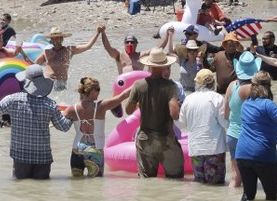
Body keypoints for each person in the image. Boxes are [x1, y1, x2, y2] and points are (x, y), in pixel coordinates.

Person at [0, 65, 72, 179]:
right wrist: (72, 113)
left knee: (20, 191)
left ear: (25, 82)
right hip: (42, 157)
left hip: (21, 156)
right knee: (41, 192)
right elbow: (63, 127)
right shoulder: (50, 104)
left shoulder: (14, 100)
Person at [124, 48, 183, 179]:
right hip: (165, 139)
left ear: (149, 65)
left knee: (146, 180)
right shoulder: (170, 86)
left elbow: (128, 110)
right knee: (176, 180)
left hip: (145, 139)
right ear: (164, 66)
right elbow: (174, 114)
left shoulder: (138, 85)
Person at [64, 76, 132, 178]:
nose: (99, 93)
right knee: (96, 186)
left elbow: (59, 122)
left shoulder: (71, 109)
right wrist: (140, 83)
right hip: (95, 150)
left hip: (76, 150)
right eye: (98, 90)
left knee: (76, 187)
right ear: (92, 91)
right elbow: (123, 96)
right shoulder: (101, 106)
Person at [235, 71, 277, 201]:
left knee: (248, 196)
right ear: (268, 86)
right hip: (263, 154)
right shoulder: (268, 104)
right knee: (271, 197)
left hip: (242, 153)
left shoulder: (246, 103)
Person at [178, 69, 228, 185]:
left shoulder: (188, 99)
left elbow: (181, 124)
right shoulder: (217, 98)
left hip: (196, 149)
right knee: (216, 187)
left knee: (200, 185)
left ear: (197, 83)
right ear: (213, 83)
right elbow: (224, 123)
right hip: (214, 149)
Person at [223, 51, 260, 187]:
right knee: (265, 177)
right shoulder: (256, 89)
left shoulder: (232, 86)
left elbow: (225, 113)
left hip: (233, 134)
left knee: (235, 178)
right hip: (252, 136)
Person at [35, 25, 103, 92]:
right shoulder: (46, 52)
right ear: (51, 40)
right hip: (47, 83)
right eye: (53, 38)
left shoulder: (69, 50)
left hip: (61, 83)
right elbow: (34, 65)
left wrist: (97, 32)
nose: (55, 40)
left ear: (62, 38)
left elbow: (88, 46)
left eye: (57, 38)